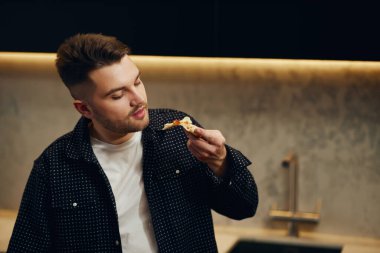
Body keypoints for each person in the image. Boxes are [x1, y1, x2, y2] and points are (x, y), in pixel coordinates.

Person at [7, 33, 258, 253]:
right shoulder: (53, 167)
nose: (138, 99)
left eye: (137, 81)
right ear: (85, 108)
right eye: (117, 95)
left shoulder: (178, 134)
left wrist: (221, 161)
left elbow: (244, 206)